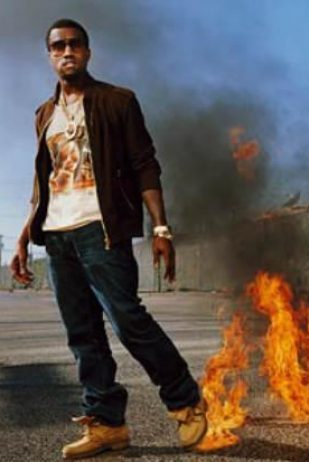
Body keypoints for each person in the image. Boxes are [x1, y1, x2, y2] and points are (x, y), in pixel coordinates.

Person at [9, 18, 207, 460]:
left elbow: (145, 165)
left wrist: (161, 227)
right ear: (49, 55)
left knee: (128, 321)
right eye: (58, 46)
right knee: (83, 335)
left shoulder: (118, 101)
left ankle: (186, 401)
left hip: (101, 230)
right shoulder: (44, 114)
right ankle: (107, 424)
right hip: (57, 236)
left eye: (75, 44)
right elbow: (44, 184)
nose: (67, 51)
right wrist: (24, 237)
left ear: (88, 51)